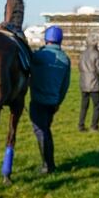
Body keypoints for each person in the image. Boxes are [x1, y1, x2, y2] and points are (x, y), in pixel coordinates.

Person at [29, 25, 71, 173]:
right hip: (53, 103)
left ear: (46, 39)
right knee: (46, 130)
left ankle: (48, 166)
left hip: (38, 101)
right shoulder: (66, 59)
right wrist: (58, 102)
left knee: (41, 131)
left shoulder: (38, 56)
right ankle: (50, 164)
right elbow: (65, 85)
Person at [78, 33, 99, 132]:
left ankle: (81, 125)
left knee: (84, 105)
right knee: (97, 106)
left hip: (84, 81)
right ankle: (94, 126)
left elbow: (80, 67)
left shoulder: (83, 53)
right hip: (94, 83)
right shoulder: (97, 54)